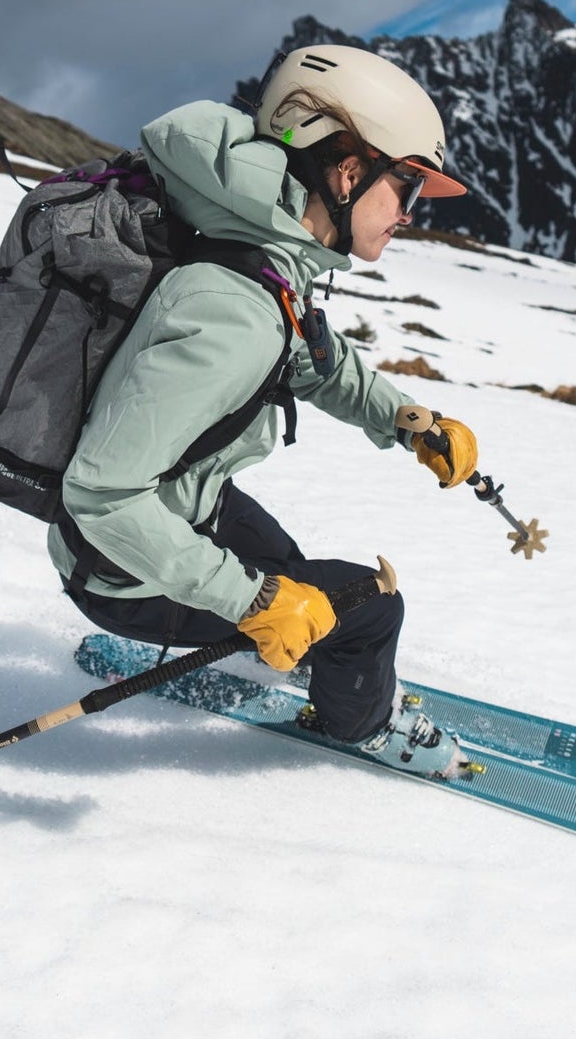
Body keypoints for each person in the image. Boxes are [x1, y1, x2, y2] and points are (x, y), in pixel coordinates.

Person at [48, 45, 482, 776]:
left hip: (188, 503)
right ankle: (366, 726)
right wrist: (250, 601)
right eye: (405, 185)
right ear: (349, 173)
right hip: (121, 570)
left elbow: (309, 356)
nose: (408, 213)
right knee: (371, 606)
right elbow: (101, 494)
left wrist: (407, 420)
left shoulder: (260, 252)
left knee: (293, 570)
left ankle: (302, 642)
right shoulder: (231, 309)